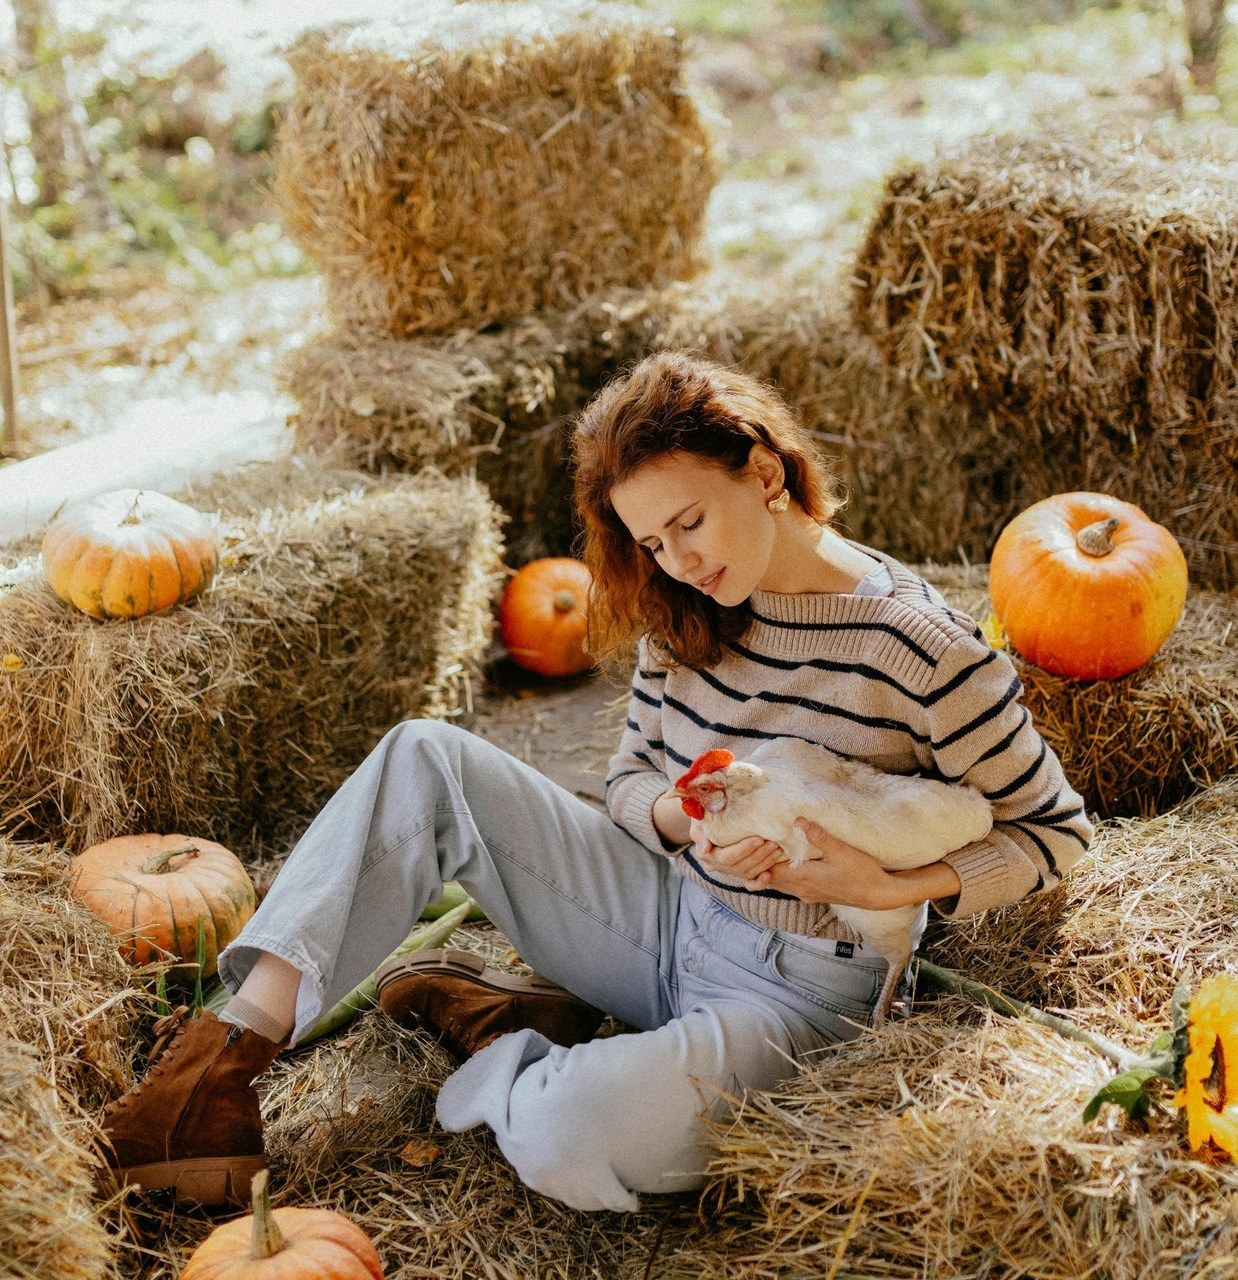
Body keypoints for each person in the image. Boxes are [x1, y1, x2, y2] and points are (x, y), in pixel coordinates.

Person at [96, 351, 1092, 1214]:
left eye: (690, 521)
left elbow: (1053, 836)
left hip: (797, 996)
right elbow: (622, 784)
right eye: (651, 541)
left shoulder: (919, 647)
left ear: (764, 470)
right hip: (662, 912)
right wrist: (678, 814)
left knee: (567, 1132)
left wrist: (882, 887)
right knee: (423, 755)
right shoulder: (689, 604)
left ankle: (522, 1042)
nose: (678, 560)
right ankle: (210, 1073)